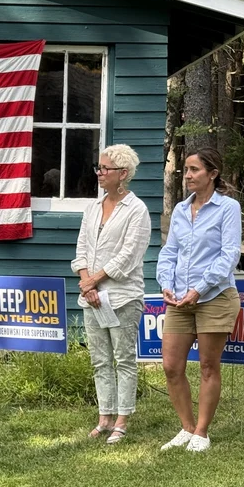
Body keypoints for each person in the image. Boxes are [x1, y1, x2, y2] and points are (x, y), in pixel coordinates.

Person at [156, 148, 241, 453]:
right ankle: (186, 427)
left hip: (214, 297)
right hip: (179, 300)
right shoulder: (180, 209)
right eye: (186, 170)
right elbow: (169, 252)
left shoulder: (228, 208)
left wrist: (200, 288)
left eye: (194, 170)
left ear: (212, 174)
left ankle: (202, 432)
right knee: (171, 366)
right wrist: (166, 283)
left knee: (208, 365)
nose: (187, 176)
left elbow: (229, 255)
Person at [71, 145, 152, 444]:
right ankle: (104, 416)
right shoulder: (93, 207)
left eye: (105, 168)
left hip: (122, 296)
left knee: (124, 359)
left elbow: (129, 256)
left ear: (123, 174)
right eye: (99, 167)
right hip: (91, 295)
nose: (99, 173)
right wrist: (87, 281)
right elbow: (81, 249)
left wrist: (95, 280)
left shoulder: (137, 210)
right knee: (99, 359)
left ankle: (122, 419)